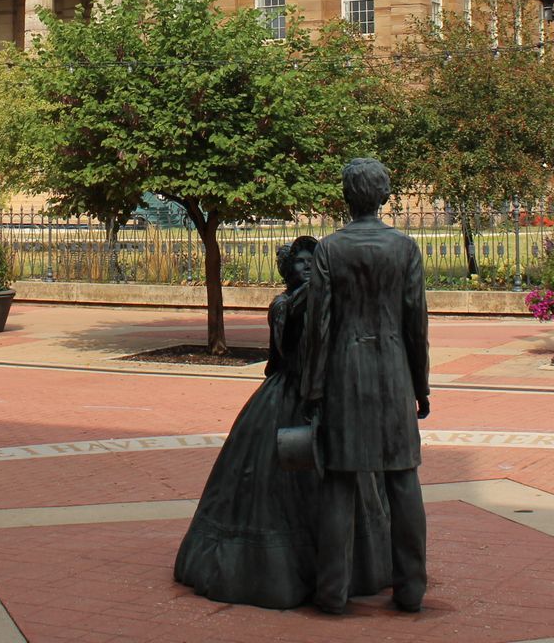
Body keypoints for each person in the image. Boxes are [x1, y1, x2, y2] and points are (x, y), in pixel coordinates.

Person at [174, 236, 388, 609]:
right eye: (300, 261)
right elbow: (284, 343)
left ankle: (343, 567)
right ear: (288, 269)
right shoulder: (284, 304)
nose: (306, 266)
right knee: (272, 480)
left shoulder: (330, 301)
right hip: (286, 396)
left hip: (328, 399)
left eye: (312, 260)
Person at [304, 158, 430, 615]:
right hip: (393, 369)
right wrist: (421, 385)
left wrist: (312, 391)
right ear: (384, 195)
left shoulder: (329, 249)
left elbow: (319, 328)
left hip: (343, 372)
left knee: (339, 482)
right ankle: (411, 588)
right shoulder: (405, 248)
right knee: (402, 480)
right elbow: (416, 323)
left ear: (346, 196)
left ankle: (332, 593)